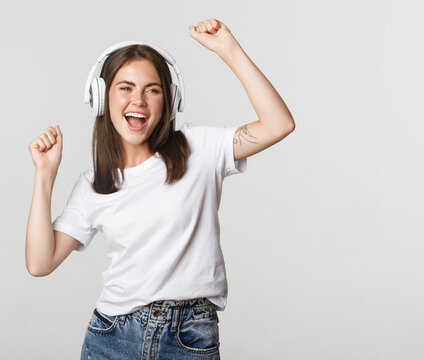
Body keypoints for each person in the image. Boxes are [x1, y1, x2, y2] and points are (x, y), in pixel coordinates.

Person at [25, 19, 295, 359]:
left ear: (169, 101)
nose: (138, 100)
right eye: (125, 87)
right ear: (100, 97)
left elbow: (278, 123)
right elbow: (39, 262)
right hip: (112, 337)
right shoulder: (95, 185)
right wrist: (45, 176)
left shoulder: (198, 148)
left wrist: (229, 50)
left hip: (190, 337)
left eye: (152, 89)